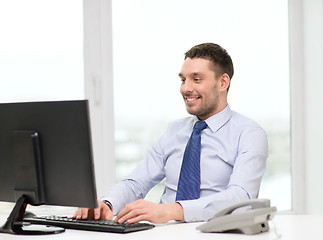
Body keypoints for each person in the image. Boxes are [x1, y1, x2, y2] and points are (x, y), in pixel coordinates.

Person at [73, 43, 268, 224]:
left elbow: (241, 196)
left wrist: (171, 211)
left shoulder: (249, 134)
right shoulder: (174, 131)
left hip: (214, 231)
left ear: (223, 82)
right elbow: (137, 182)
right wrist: (107, 203)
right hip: (165, 232)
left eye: (196, 79)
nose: (186, 88)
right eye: (183, 79)